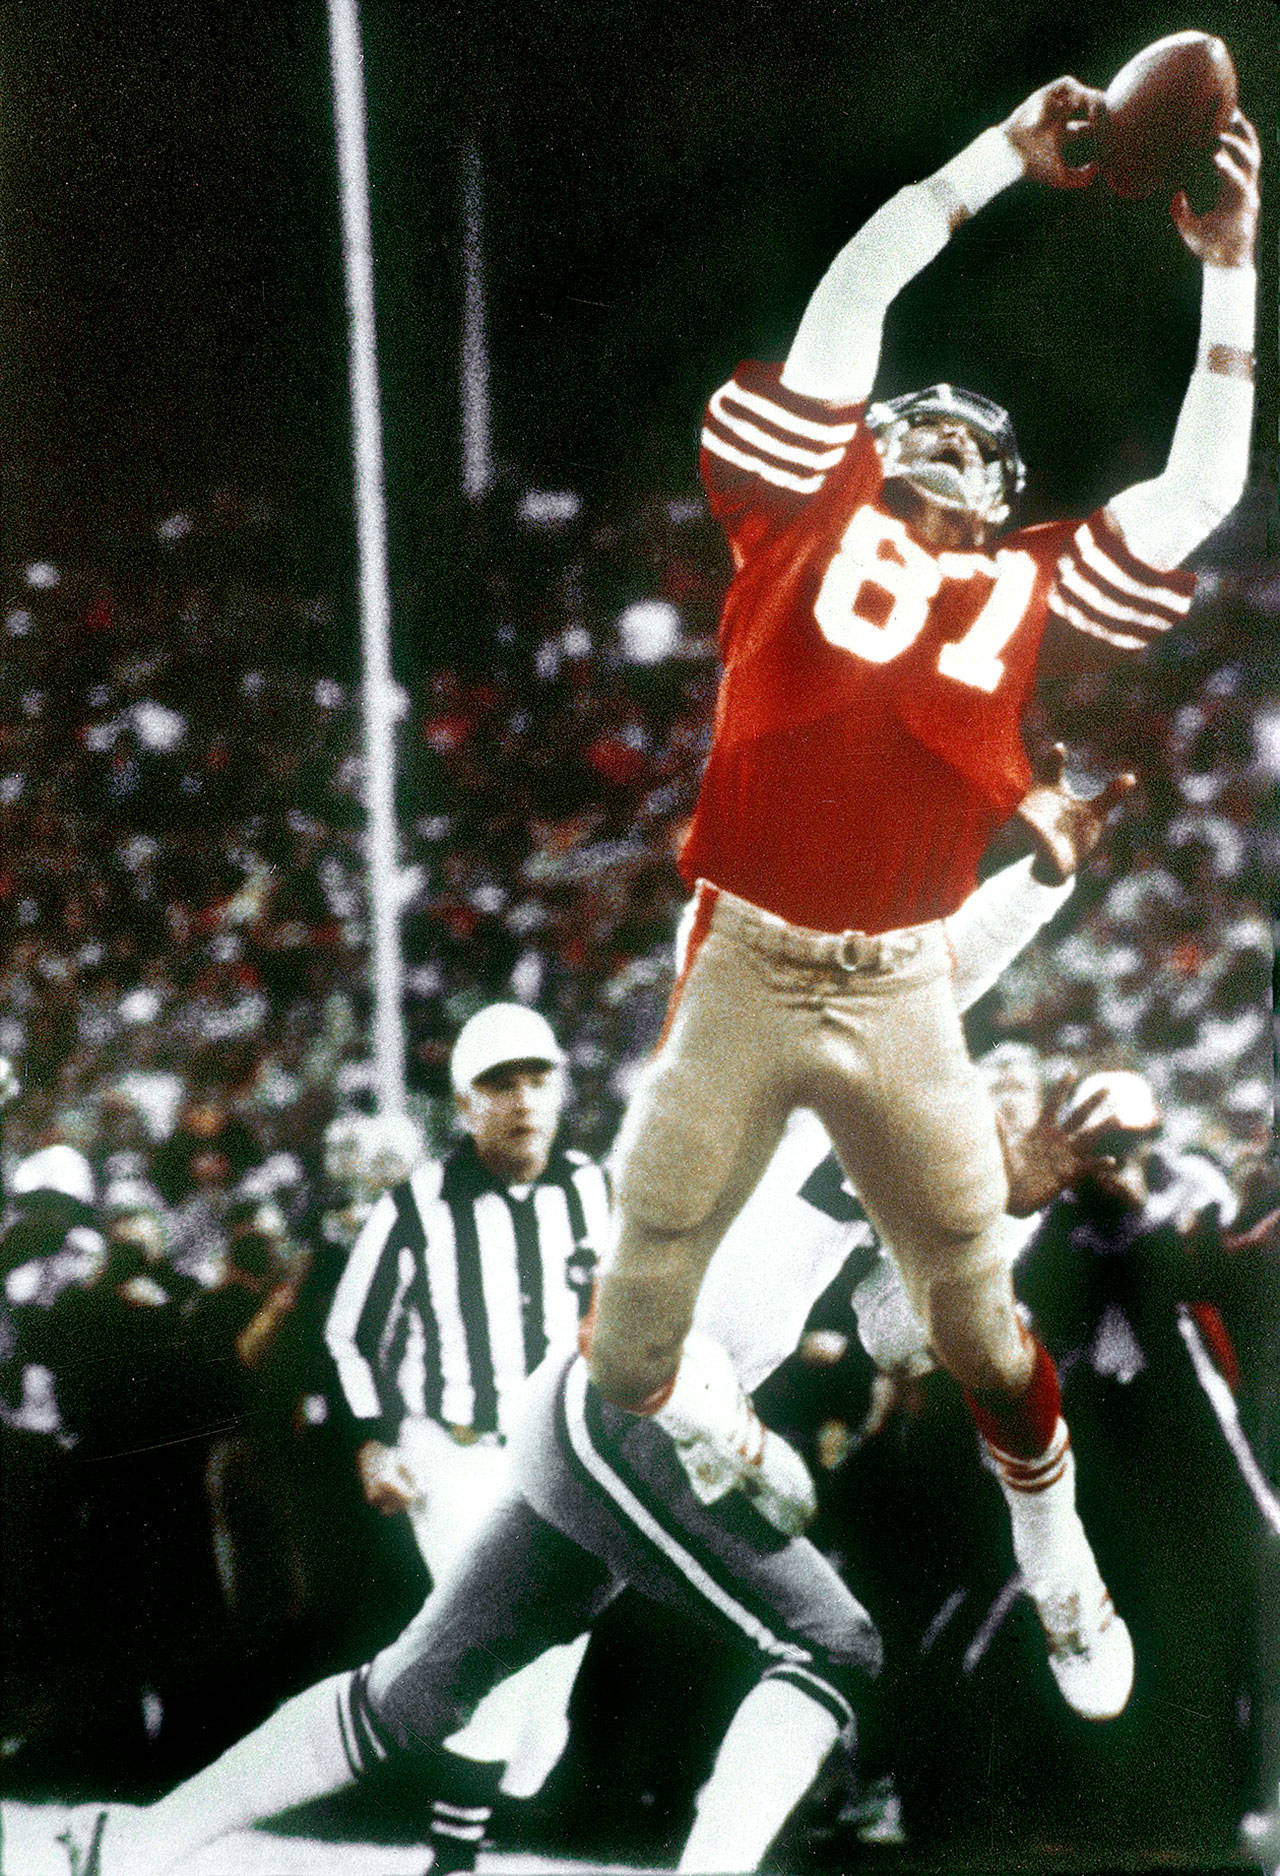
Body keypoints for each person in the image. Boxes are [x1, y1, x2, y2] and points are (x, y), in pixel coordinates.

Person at [48, 761, 1125, 1876]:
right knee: (832, 1645)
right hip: (635, 1393)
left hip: (621, 1410)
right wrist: (1036, 882)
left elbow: (897, 1334)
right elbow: (931, 971)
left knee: (411, 1697)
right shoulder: (778, 1015)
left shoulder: (894, 1097)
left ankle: (130, 1841)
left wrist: (997, 1214)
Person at [582, 74, 1259, 1723]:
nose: (945, 463)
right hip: (750, 948)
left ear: (991, 488)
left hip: (884, 976)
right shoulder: (822, 514)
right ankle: (709, 1414)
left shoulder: (990, 574)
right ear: (880, 458)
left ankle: (1059, 1559)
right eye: (922, 442)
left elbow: (1179, 497)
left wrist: (1163, 232)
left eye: (971, 454)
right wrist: (1197, 253)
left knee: (970, 1308)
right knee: (636, 1320)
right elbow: (865, 314)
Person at [323, 1003, 610, 1865]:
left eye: (536, 1081)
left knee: (541, 1715)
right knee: (503, 1637)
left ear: (561, 1090)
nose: (522, 1101)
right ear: (464, 1105)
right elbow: (350, 1333)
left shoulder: (600, 1190)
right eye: (499, 1085)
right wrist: (374, 1441)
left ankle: (485, 1797)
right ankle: (454, 1856)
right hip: (455, 1454)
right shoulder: (414, 1207)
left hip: (567, 1463)